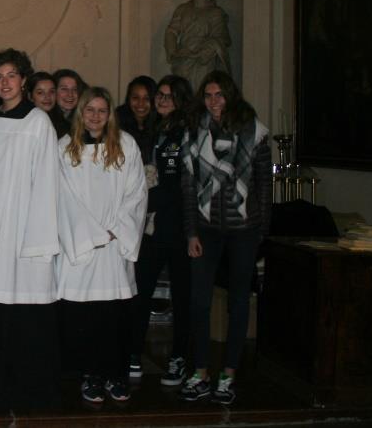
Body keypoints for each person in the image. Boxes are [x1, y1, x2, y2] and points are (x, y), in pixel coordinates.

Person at [0, 48, 61, 411]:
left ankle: (29, 385)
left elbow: (48, 182)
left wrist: (36, 237)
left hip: (25, 229)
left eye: (11, 75)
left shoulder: (38, 123)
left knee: (25, 312)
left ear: (23, 79)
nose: (5, 82)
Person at [179, 71, 271, 406]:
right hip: (206, 227)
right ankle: (200, 372)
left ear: (230, 95)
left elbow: (264, 185)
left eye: (219, 95)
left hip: (244, 228)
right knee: (199, 302)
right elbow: (188, 188)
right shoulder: (195, 132)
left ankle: (229, 373)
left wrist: (263, 233)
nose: (213, 102)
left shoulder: (253, 132)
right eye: (208, 95)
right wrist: (191, 232)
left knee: (238, 302)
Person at [57, 87, 147, 405]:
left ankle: (115, 374)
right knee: (84, 318)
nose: (95, 116)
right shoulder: (64, 148)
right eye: (90, 110)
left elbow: (137, 192)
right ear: (80, 113)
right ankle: (90, 375)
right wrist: (91, 233)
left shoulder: (126, 145)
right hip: (81, 246)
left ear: (110, 115)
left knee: (115, 317)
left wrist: (115, 229)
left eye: (102, 110)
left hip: (114, 244)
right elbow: (61, 197)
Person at [130, 75, 195, 385]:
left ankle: (179, 358)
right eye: (161, 95)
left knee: (182, 298)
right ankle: (133, 352)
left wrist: (138, 201)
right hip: (153, 229)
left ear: (181, 100)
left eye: (170, 96)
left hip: (178, 229)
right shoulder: (157, 130)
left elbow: (175, 186)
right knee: (140, 291)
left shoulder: (184, 133)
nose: (163, 100)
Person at [164, 0, 232, 92]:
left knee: (201, 91)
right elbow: (171, 31)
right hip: (183, 59)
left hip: (203, 62)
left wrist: (202, 52)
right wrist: (173, 51)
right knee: (182, 93)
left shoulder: (215, 13)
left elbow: (221, 38)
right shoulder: (182, 9)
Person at [116, 75, 158, 162]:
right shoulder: (117, 121)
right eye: (135, 98)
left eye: (146, 98)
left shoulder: (160, 123)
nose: (140, 103)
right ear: (128, 99)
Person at [27, 71, 69, 138]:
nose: (47, 97)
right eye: (40, 93)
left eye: (51, 91)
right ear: (30, 96)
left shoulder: (64, 125)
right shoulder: (24, 122)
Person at [52, 69, 88, 133]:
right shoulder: (47, 120)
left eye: (75, 89)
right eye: (64, 89)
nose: (70, 94)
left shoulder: (85, 118)